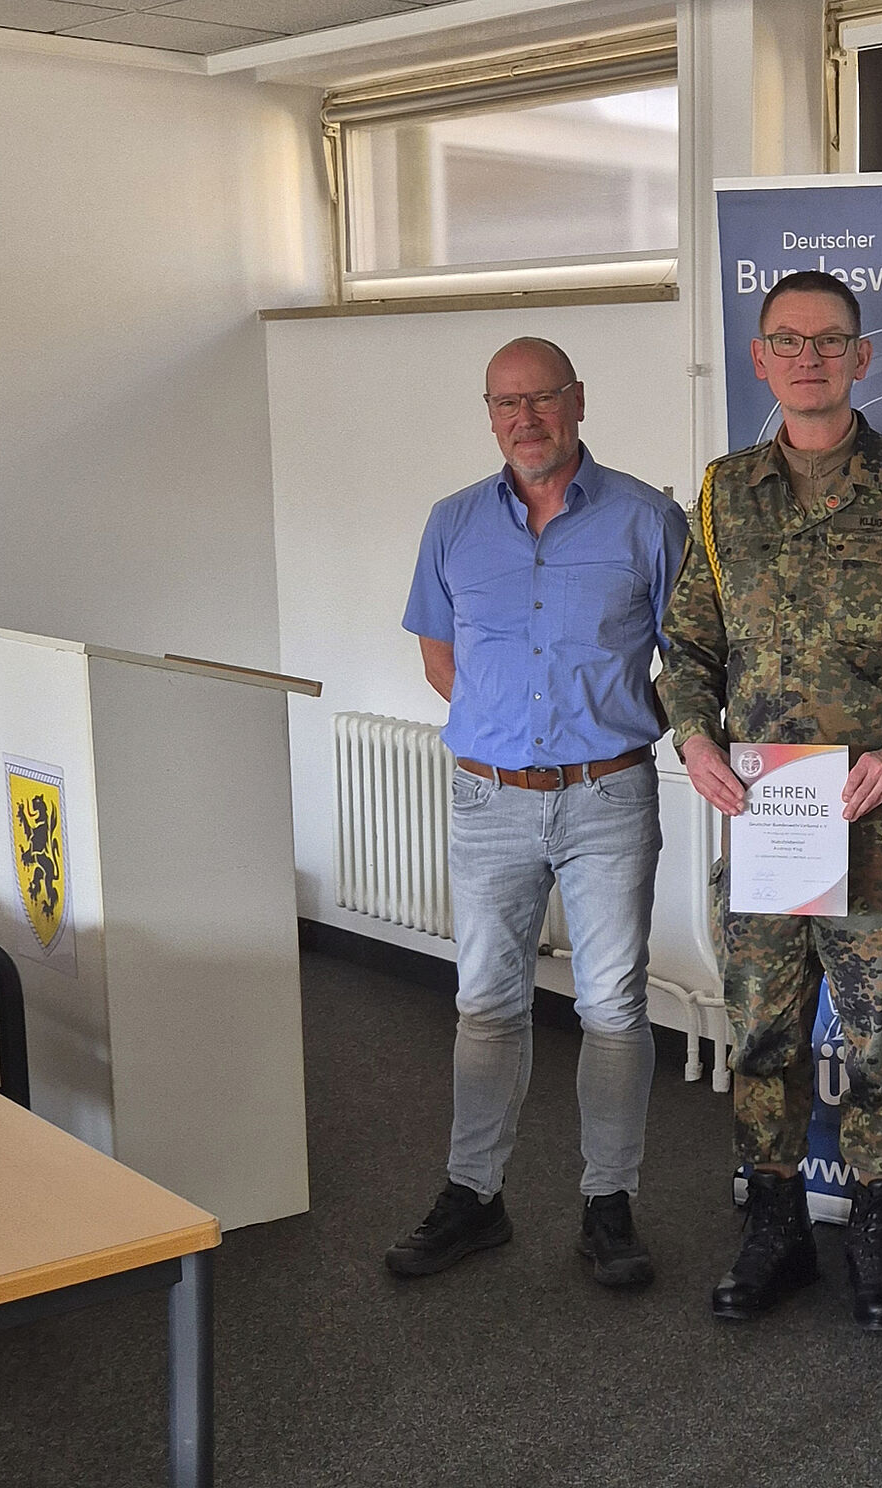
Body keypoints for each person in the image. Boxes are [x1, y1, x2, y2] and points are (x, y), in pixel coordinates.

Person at [658, 271, 882, 1329]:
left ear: (861, 356)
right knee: (763, 1030)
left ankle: (879, 1234)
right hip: (765, 826)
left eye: (830, 340)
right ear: (760, 359)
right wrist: (693, 735)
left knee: (880, 1032)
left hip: (871, 822)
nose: (809, 358)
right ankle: (776, 1228)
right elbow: (688, 647)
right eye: (788, 341)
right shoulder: (724, 494)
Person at [389, 337, 687, 1288]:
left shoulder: (647, 520)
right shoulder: (452, 523)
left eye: (542, 398)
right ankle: (474, 1197)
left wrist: (602, 732)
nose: (525, 419)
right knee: (485, 1005)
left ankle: (609, 1205)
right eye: (505, 404)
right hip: (489, 798)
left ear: (578, 401)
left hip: (609, 796)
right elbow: (442, 659)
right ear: (489, 416)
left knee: (613, 1008)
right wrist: (513, 740)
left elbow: (692, 656)